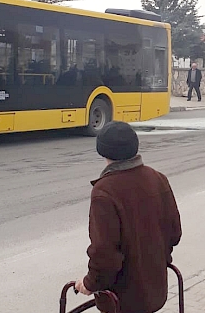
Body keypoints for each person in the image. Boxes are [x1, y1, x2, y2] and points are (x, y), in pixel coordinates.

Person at [75, 121, 182, 313]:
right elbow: (174, 233)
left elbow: (104, 254)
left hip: (122, 299)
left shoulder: (104, 191)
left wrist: (90, 283)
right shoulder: (158, 178)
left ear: (103, 152)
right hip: (155, 290)